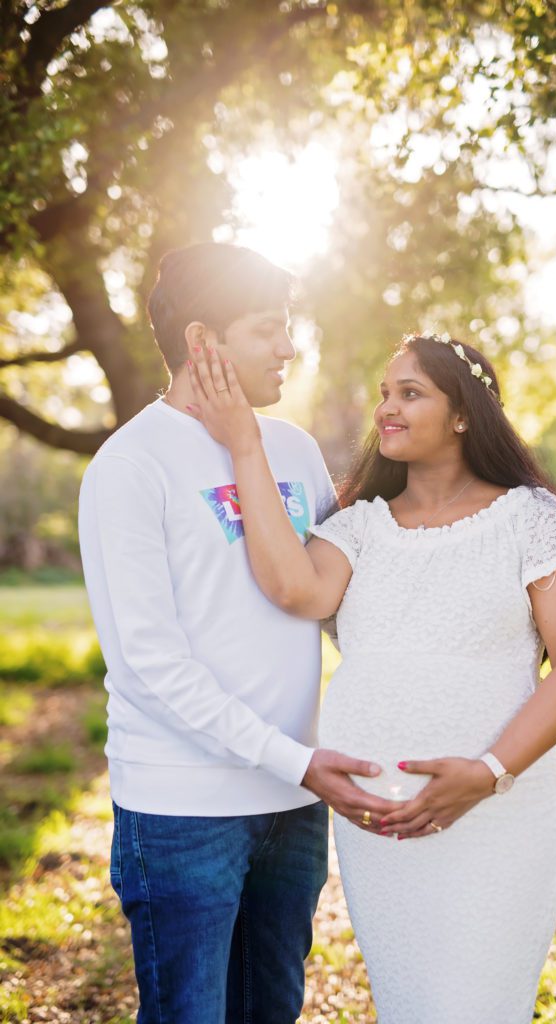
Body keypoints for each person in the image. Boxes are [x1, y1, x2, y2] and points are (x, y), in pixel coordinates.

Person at [185, 330, 556, 1024]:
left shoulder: (529, 520)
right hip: (381, 825)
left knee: (479, 1005)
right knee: (411, 1003)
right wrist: (244, 445)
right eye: (385, 392)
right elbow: (295, 590)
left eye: (411, 393)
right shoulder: (358, 526)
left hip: (500, 813)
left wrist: (488, 771)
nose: (387, 407)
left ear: (465, 413)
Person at [77, 242, 403, 1024]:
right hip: (183, 810)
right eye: (269, 328)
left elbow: (337, 600)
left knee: (272, 1010)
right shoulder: (130, 466)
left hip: (295, 800)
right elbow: (150, 665)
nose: (290, 346)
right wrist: (297, 761)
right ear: (203, 342)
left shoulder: (290, 450)